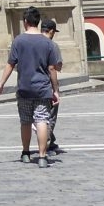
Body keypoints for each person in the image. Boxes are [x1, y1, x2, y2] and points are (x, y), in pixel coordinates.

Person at [0, 6, 61, 168]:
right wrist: (56, 90)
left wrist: (1, 84)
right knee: (42, 120)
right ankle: (43, 156)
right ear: (37, 22)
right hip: (42, 88)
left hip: (24, 88)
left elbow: (10, 65)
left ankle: (25, 153)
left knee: (25, 121)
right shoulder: (48, 43)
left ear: (25, 22)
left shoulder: (18, 41)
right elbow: (52, 68)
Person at [39, 18, 64, 155]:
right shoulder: (52, 46)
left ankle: (51, 142)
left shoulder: (33, 43)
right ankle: (46, 145)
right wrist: (55, 90)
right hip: (48, 85)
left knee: (38, 115)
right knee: (50, 117)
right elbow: (55, 67)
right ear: (52, 31)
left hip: (33, 85)